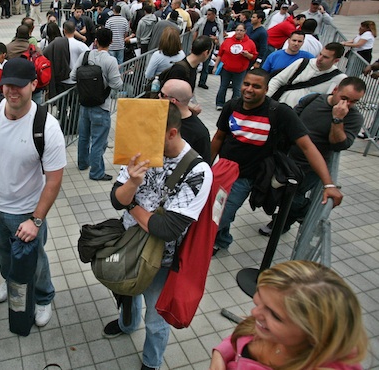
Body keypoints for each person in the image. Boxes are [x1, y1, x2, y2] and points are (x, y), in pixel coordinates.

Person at [101, 103, 213, 370]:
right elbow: (116, 199)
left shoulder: (198, 172)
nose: (140, 141)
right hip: (128, 243)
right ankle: (127, 323)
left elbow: (166, 229)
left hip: (161, 260)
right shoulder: (140, 153)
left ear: (171, 133)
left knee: (155, 318)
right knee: (125, 290)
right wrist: (132, 184)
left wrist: (131, 205)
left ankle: (151, 362)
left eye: (148, 134)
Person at [0, 58, 67, 328]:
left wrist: (36, 220)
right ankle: (10, 281)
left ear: (34, 85)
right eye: (7, 84)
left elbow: (54, 180)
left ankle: (44, 297)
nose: (12, 91)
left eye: (19, 86)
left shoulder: (47, 127)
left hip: (25, 210)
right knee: (1, 251)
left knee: (36, 261)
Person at [210, 68, 343, 255]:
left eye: (256, 86)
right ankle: (222, 239)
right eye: (246, 84)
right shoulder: (231, 106)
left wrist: (329, 184)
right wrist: (206, 166)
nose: (249, 89)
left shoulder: (279, 112)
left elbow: (307, 147)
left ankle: (213, 240)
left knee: (220, 215)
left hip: (246, 176)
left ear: (266, 89)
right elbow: (219, 137)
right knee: (218, 211)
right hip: (223, 170)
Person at [210, 260, 367, 369]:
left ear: (315, 334)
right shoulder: (271, 327)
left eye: (276, 316)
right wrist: (221, 354)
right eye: (258, 302)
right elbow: (244, 333)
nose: (254, 313)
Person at [259, 77, 366, 236]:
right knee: (274, 189)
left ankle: (286, 221)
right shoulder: (314, 99)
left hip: (311, 167)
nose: (347, 104)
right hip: (287, 158)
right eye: (344, 98)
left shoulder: (353, 117)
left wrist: (337, 119)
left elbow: (339, 144)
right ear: (335, 90)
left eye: (353, 101)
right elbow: (291, 120)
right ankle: (297, 214)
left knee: (293, 197)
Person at [71, 28, 123, 181]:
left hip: (84, 104)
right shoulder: (110, 61)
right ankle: (96, 172)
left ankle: (82, 163)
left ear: (95, 41)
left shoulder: (85, 55)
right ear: (111, 42)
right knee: (98, 141)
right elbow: (117, 85)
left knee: (84, 137)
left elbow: (73, 76)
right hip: (101, 106)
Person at [268, 42, 346, 108]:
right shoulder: (302, 63)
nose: (319, 58)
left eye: (325, 57)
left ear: (336, 60)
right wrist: (266, 99)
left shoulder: (339, 79)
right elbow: (277, 80)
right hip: (281, 107)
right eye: (320, 54)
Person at [160, 79, 211, 163]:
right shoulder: (159, 117)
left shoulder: (199, 133)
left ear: (173, 101)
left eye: (162, 95)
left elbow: (203, 164)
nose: (158, 96)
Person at [213, 23, 258, 110]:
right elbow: (220, 54)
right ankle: (220, 103)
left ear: (245, 32)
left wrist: (247, 55)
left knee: (237, 89)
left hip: (240, 71)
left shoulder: (250, 43)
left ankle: (235, 105)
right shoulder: (228, 41)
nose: (239, 32)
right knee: (223, 87)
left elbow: (253, 56)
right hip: (226, 69)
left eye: (241, 30)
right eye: (237, 30)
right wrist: (215, 66)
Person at [191, 10, 223, 90]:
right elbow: (196, 30)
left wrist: (216, 39)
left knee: (206, 65)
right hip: (200, 44)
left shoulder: (218, 23)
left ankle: (202, 82)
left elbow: (221, 34)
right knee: (196, 63)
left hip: (210, 45)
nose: (207, 16)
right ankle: (192, 80)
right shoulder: (203, 21)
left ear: (214, 15)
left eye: (209, 14)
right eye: (207, 14)